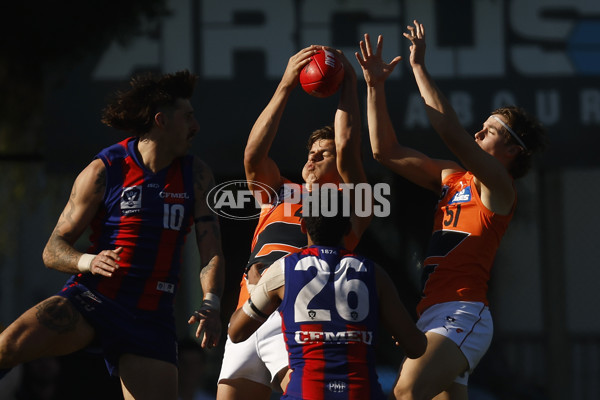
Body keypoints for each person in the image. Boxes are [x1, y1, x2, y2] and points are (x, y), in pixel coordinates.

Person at [0, 70, 225, 400]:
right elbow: (52, 250)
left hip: (150, 318)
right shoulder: (105, 169)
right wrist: (89, 261)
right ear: (162, 121)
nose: (196, 127)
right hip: (94, 301)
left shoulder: (196, 174)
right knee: (7, 347)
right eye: (188, 117)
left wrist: (211, 303)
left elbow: (212, 252)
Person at [355, 21, 546, 400]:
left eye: (489, 131)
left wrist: (418, 67)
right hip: (432, 312)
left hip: (464, 311)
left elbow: (451, 133)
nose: (478, 133)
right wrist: (375, 86)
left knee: (406, 392)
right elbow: (385, 151)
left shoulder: (499, 187)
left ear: (512, 151)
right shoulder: (452, 177)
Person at [217, 46, 372, 399]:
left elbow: (347, 144)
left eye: (323, 154)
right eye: (310, 153)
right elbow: (253, 155)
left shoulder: (352, 204)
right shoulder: (279, 192)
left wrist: (349, 83)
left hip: (298, 323)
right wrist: (286, 84)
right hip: (247, 313)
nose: (312, 158)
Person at [227, 190, 427, 400]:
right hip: (361, 393)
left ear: (303, 226)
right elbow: (416, 347)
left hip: (305, 393)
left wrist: (255, 289)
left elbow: (236, 332)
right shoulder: (374, 273)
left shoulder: (283, 270)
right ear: (348, 227)